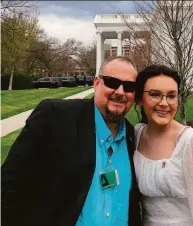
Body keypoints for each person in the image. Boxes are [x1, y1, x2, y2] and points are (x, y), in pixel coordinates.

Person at [1, 56, 141, 226]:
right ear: (96, 83)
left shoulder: (132, 136)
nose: (120, 92)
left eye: (129, 86)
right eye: (112, 82)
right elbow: (8, 186)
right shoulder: (55, 117)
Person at [133, 65, 193, 225]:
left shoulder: (190, 142)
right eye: (155, 94)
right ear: (140, 99)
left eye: (171, 96)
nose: (164, 103)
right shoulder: (137, 134)